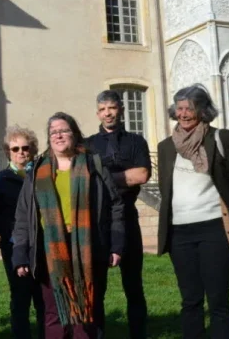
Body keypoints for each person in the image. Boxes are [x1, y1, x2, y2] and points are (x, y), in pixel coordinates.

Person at [12, 112, 124, 339]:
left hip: (88, 248)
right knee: (53, 313)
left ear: (74, 134)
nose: (59, 135)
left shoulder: (93, 165)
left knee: (88, 312)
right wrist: (20, 253)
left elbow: (116, 205)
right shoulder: (37, 171)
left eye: (64, 130)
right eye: (53, 132)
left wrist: (116, 244)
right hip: (50, 251)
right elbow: (23, 215)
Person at [157, 84, 229, 339]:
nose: (184, 113)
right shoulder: (166, 147)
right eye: (180, 108)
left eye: (191, 108)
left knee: (218, 300)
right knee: (190, 301)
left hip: (215, 229)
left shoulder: (222, 138)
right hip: (179, 233)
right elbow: (166, 190)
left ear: (203, 111)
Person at [87, 91, 150, 338]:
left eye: (112, 108)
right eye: (102, 109)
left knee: (133, 286)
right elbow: (85, 180)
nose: (108, 113)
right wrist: (125, 177)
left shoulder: (136, 142)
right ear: (97, 113)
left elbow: (142, 175)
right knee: (97, 288)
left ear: (120, 109)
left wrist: (103, 179)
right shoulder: (89, 144)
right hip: (99, 223)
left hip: (128, 217)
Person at [0, 125, 45, 339]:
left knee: (44, 298)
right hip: (15, 246)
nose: (21, 152)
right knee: (20, 298)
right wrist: (14, 235)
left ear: (33, 149)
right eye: (15, 149)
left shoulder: (44, 176)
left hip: (43, 246)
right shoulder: (0, 180)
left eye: (25, 147)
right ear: (8, 152)